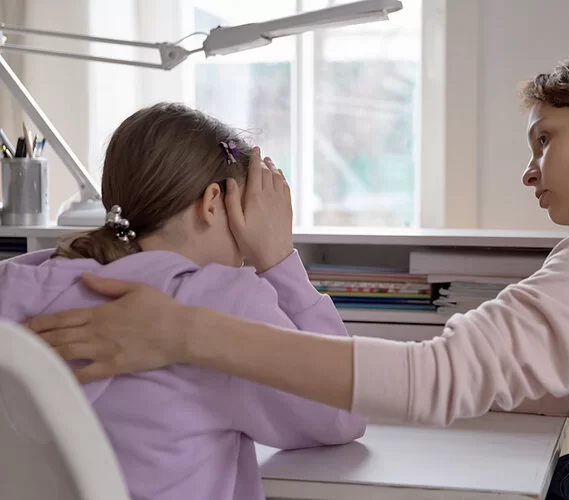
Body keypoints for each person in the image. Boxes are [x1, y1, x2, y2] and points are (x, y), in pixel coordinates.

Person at [27, 44, 569, 499]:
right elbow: (554, 378)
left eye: (545, 139)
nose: (529, 172)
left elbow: (441, 379)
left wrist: (186, 332)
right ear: (217, 203)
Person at [0, 103, 366, 500]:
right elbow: (342, 412)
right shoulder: (223, 305)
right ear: (213, 203)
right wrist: (279, 260)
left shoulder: (16, 282)